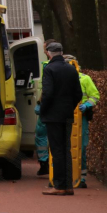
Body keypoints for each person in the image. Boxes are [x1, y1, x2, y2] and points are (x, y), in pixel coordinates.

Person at [39, 42, 82, 196]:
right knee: (66, 150)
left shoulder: (49, 69)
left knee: (56, 151)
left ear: (49, 53)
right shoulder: (71, 69)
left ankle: (59, 185)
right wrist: (69, 107)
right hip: (66, 115)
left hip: (53, 116)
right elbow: (78, 93)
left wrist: (43, 110)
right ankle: (68, 185)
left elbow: (48, 93)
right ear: (61, 52)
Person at [63, 55, 100, 188]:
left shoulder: (85, 79)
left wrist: (87, 105)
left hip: (80, 117)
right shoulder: (59, 78)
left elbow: (95, 95)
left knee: (81, 147)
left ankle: (81, 178)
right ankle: (65, 176)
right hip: (64, 116)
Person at [35, 38, 56, 176]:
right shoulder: (69, 65)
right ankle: (53, 164)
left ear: (49, 51)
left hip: (47, 105)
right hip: (58, 106)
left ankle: (45, 162)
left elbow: (47, 88)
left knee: (42, 134)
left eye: (44, 50)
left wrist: (40, 102)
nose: (43, 52)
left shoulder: (47, 66)